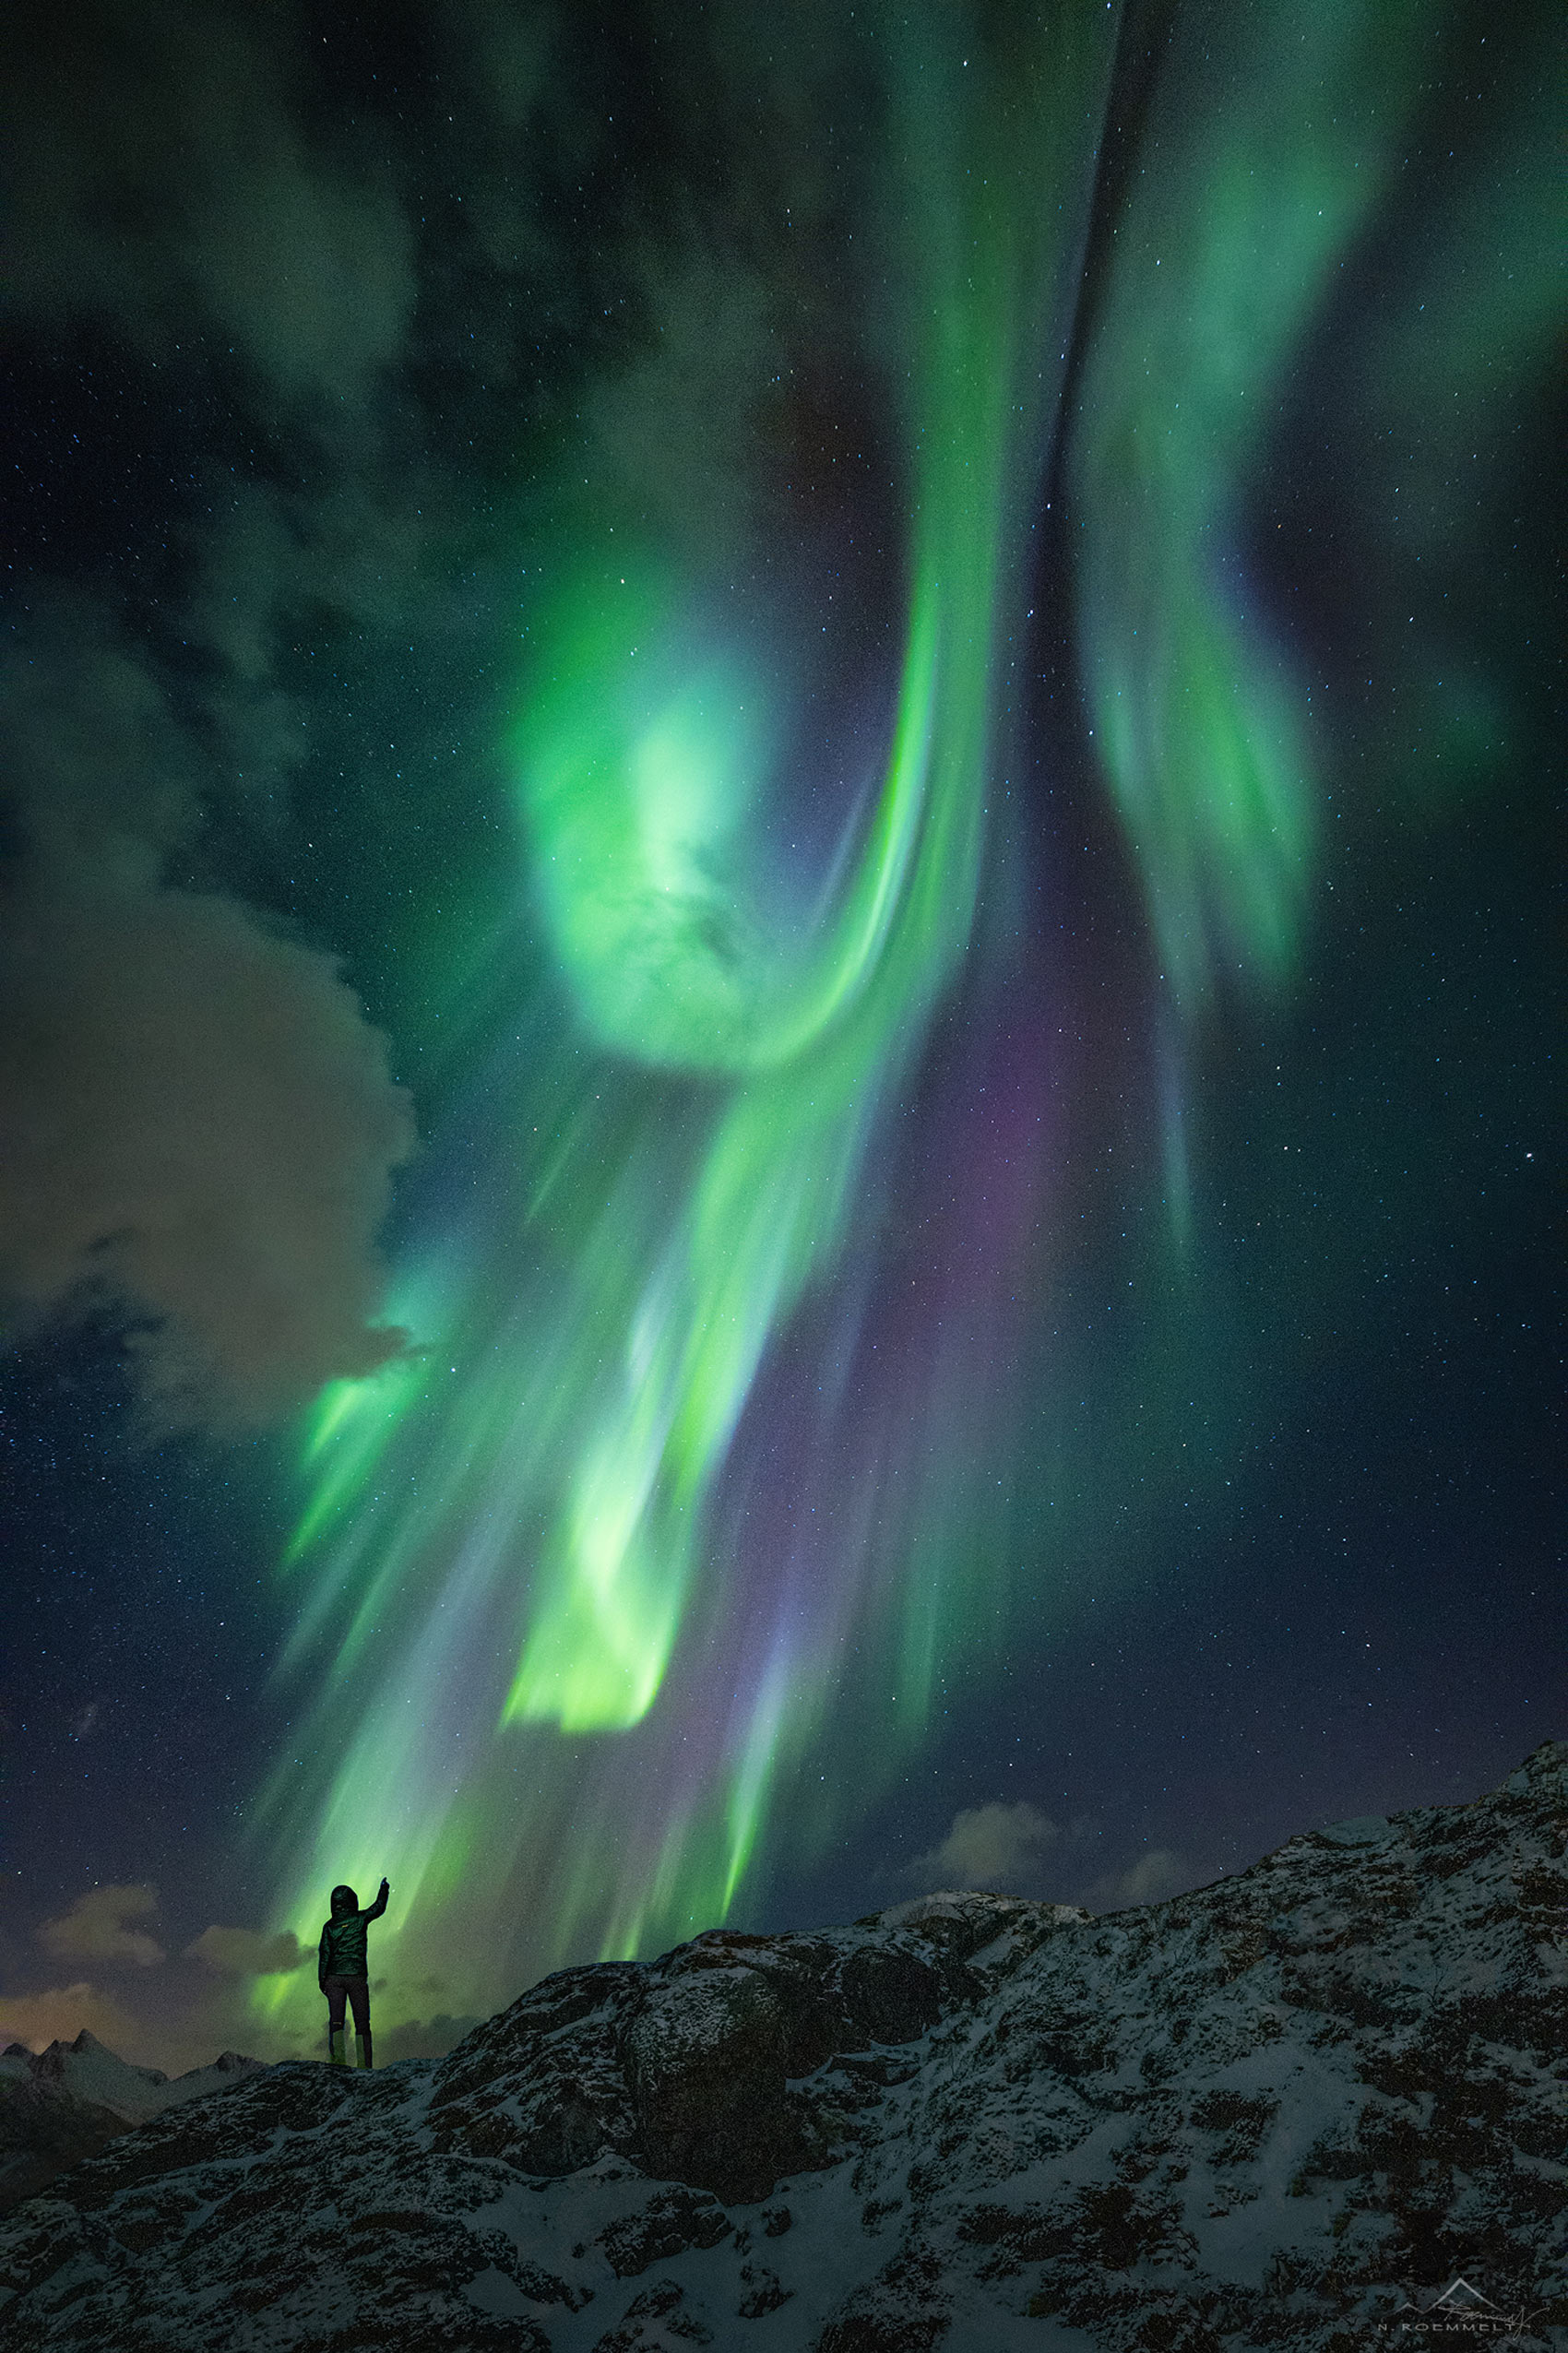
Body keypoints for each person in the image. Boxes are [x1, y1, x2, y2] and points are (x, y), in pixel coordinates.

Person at [318, 1878, 389, 2068]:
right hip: (357, 1976)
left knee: (336, 2022)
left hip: (333, 1978)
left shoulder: (329, 1927)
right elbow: (379, 1908)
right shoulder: (360, 1919)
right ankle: (364, 2065)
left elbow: (324, 1954)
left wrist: (322, 1980)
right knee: (362, 2022)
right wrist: (384, 1889)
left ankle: (338, 2062)